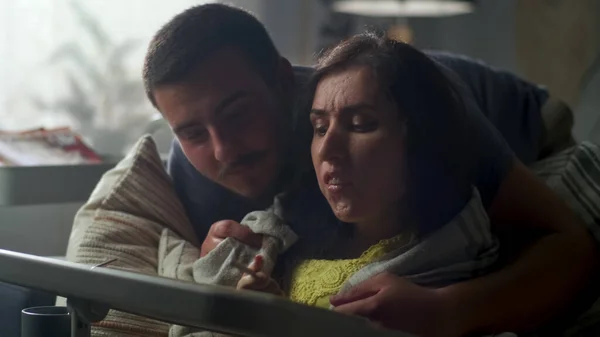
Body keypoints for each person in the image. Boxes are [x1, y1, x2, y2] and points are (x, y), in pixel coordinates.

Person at [65, 3, 597, 337]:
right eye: (193, 132)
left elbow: (568, 244)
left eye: (237, 112)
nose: (223, 150)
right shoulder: (196, 176)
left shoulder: (432, 113)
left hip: (524, 123)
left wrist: (448, 310)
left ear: (281, 81)